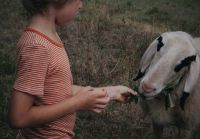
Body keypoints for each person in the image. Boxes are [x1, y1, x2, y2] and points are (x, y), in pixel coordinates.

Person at [8, 0, 137, 138]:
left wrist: (110, 92)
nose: (81, 5)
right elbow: (18, 117)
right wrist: (78, 103)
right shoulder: (37, 46)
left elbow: (55, 89)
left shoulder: (48, 37)